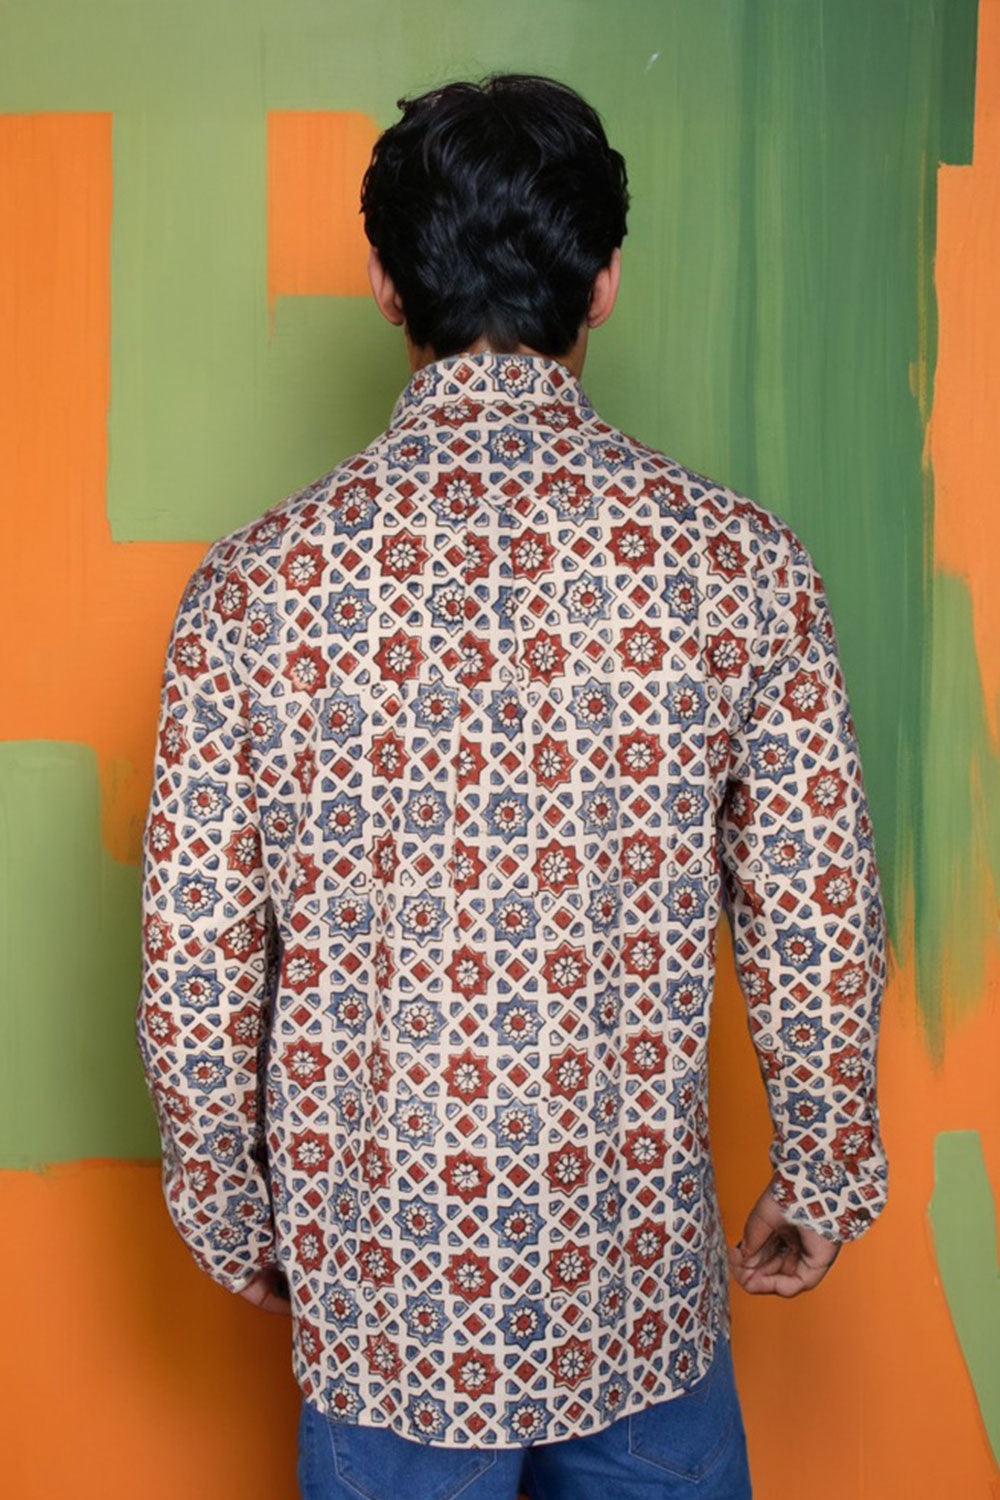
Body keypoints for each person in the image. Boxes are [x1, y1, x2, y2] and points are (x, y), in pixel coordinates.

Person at [135, 71, 890, 1500]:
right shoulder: (740, 568)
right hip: (636, 1297)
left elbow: (194, 962)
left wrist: (236, 1212)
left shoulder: (251, 593)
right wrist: (823, 1169)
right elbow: (817, 914)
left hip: (385, 1307)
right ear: (603, 284)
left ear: (385, 284)